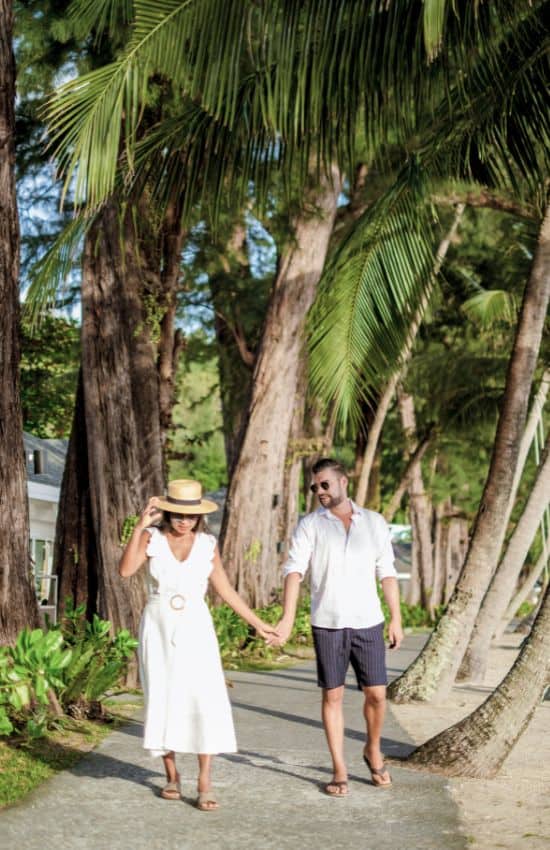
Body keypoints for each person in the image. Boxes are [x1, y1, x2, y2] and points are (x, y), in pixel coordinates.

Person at [119, 478, 276, 811]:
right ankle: (172, 775)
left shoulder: (207, 544)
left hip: (196, 625)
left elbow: (225, 590)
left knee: (206, 698)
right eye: (176, 512)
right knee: (162, 696)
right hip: (158, 625)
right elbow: (126, 570)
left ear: (199, 516)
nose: (183, 520)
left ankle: (205, 780)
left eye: (190, 515)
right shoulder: (152, 538)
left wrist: (259, 624)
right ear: (166, 511)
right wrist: (139, 526)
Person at [274, 458, 403, 796]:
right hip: (327, 623)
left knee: (377, 694)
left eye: (325, 484)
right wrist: (287, 619)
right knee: (332, 695)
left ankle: (372, 748)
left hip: (368, 622)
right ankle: (339, 769)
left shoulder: (374, 522)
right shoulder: (310, 525)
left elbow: (387, 572)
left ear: (343, 482)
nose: (319, 491)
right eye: (315, 486)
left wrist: (396, 618)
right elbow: (294, 571)